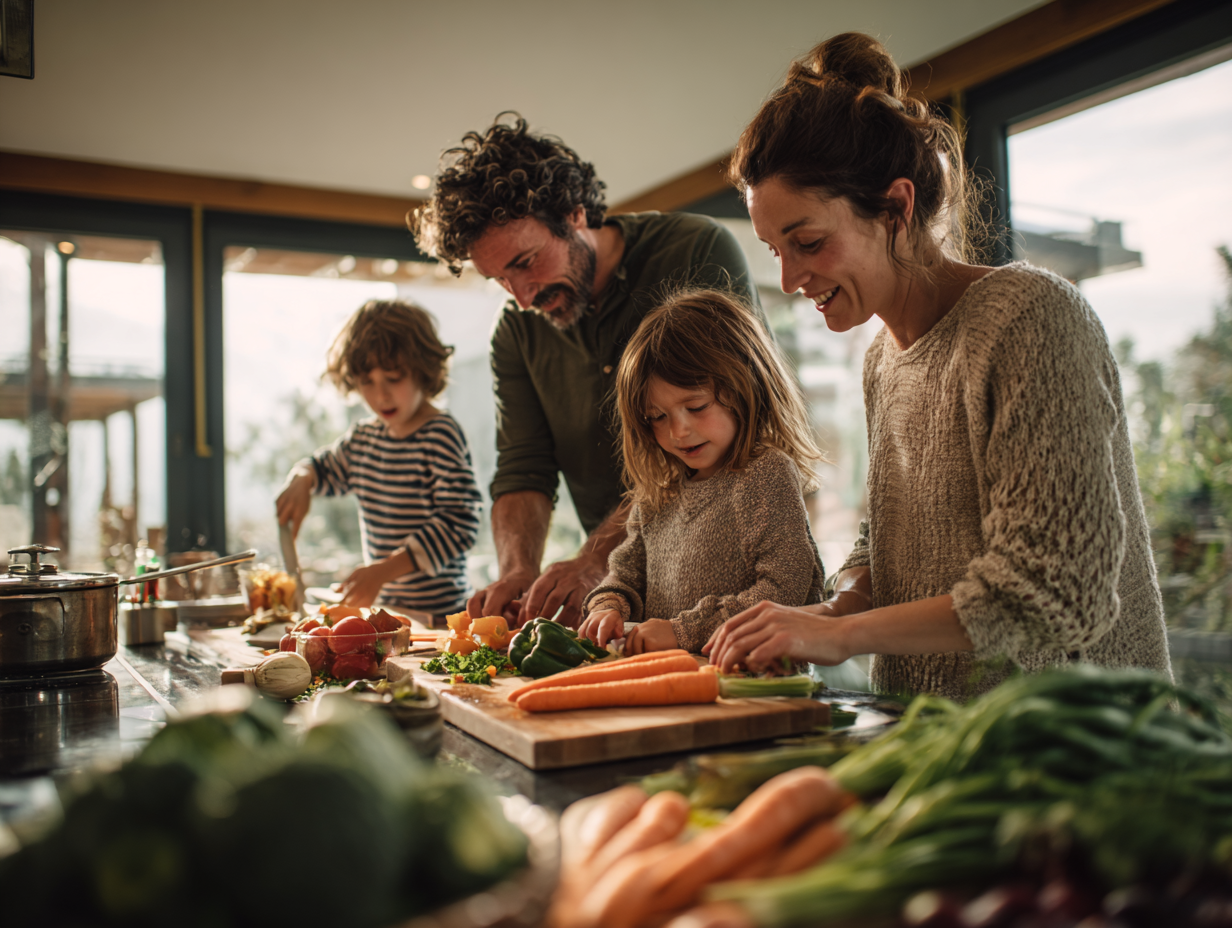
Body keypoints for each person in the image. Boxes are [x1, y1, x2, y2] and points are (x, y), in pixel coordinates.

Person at [704, 33, 1171, 699]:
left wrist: (843, 636)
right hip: (934, 732)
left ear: (896, 208)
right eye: (775, 249)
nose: (788, 279)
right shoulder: (881, 359)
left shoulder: (1029, 318)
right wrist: (837, 607)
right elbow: (893, 543)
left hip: (1078, 741)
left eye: (807, 242)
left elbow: (1054, 591)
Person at [409, 113, 762, 628]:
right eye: (499, 279)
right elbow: (524, 467)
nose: (522, 297)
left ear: (574, 214)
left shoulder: (694, 251)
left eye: (526, 262)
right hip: (617, 601)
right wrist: (517, 570)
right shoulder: (515, 331)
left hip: (735, 587)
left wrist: (596, 559)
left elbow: (730, 429)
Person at [577, 289, 826, 655]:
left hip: (756, 681)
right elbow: (625, 576)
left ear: (745, 386)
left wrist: (683, 631)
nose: (678, 432)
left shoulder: (765, 473)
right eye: (657, 417)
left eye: (696, 407)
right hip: (672, 680)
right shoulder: (659, 493)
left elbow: (784, 586)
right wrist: (607, 605)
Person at [275, 300, 482, 617]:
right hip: (388, 613)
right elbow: (323, 469)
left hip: (440, 616)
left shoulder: (440, 435)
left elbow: (460, 523)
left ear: (423, 370)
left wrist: (383, 571)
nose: (380, 395)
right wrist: (301, 477)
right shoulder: (364, 439)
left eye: (394, 378)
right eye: (367, 382)